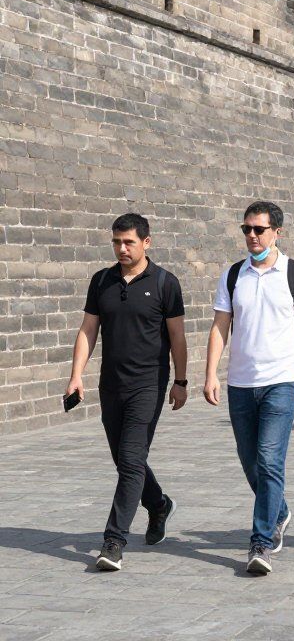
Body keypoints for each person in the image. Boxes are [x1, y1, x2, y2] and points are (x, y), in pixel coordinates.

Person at [65, 213, 187, 572]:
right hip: (110, 384)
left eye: (128, 242)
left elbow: (177, 337)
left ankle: (114, 541)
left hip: (149, 384)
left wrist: (181, 382)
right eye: (117, 242)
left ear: (146, 242)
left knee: (131, 460)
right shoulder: (101, 281)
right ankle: (160, 504)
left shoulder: (165, 283)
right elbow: (88, 329)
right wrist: (76, 375)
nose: (121, 248)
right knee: (124, 460)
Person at [204, 201, 294, 575]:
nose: (252, 236)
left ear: (277, 232)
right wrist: (210, 373)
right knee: (250, 462)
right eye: (247, 229)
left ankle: (261, 542)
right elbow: (221, 326)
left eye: (259, 229)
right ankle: (280, 510)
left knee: (270, 460)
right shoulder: (233, 275)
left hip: (281, 382)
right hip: (240, 383)